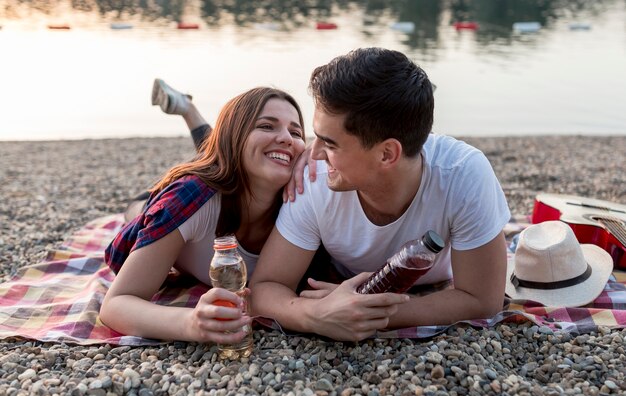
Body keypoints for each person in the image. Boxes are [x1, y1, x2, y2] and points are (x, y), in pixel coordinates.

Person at [249, 47, 511, 342]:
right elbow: (264, 288)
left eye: (330, 144)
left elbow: (483, 300)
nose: (315, 154)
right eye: (316, 138)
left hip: (434, 279)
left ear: (387, 154)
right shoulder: (313, 178)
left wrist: (365, 309)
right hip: (340, 279)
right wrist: (317, 315)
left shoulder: (463, 174)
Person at [100, 82, 306, 343]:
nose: (288, 138)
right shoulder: (190, 199)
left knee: (216, 155)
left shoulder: (304, 203)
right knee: (138, 208)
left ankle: (187, 108)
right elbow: (115, 304)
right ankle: (189, 110)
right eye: (266, 125)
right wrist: (190, 324)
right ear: (237, 136)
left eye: (296, 133)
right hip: (162, 199)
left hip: (222, 168)